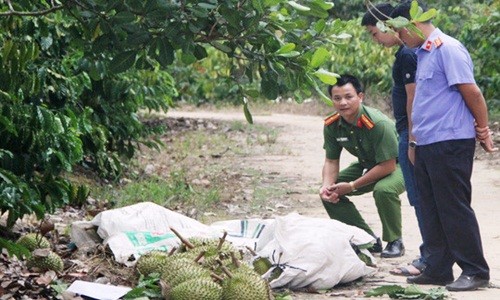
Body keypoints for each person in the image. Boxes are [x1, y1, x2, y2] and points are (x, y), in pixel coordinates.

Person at [390, 1, 497, 292]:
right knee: (430, 205)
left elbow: (472, 92)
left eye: (399, 31)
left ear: (412, 23)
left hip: (450, 142)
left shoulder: (447, 48)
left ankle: (475, 270)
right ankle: (438, 268)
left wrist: (483, 130)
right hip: (426, 143)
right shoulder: (422, 53)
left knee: (453, 206)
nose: (398, 38)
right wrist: (414, 141)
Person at [361, 3, 427, 276]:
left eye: (374, 33)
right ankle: (431, 254)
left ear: (389, 25)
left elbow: (414, 98)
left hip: (408, 133)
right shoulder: (406, 53)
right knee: (419, 197)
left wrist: (411, 139)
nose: (374, 40)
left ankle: (429, 256)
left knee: (420, 197)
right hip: (407, 132)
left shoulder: (408, 56)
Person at [319, 74, 405, 258]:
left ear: (360, 96)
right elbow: (331, 161)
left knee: (384, 190)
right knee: (329, 193)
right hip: (368, 164)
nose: (343, 103)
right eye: (337, 98)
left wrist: (352, 186)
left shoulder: (377, 124)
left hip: (400, 165)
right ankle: (366, 240)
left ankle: (395, 241)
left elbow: (388, 166)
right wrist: (326, 185)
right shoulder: (332, 125)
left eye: (349, 97)